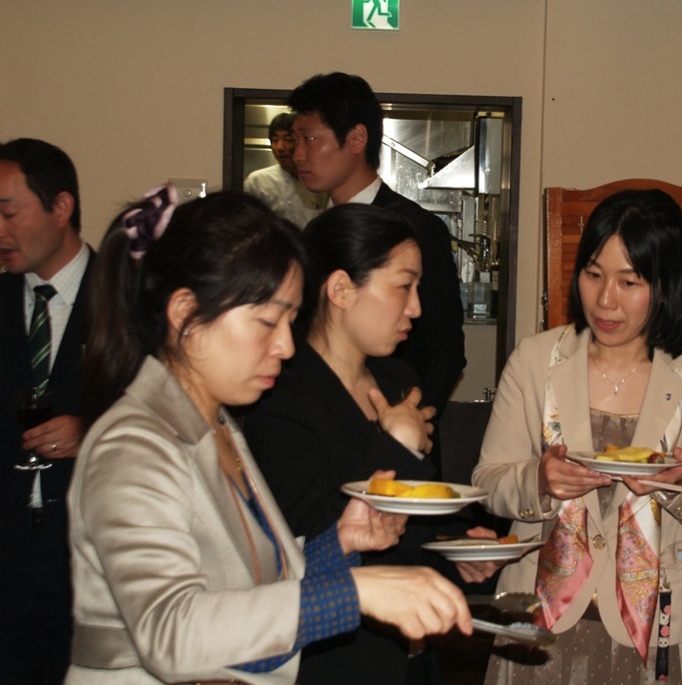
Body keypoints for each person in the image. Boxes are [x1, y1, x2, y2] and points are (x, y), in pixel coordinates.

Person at [66, 189, 472, 684]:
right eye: (266, 321)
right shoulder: (133, 444)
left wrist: (337, 545)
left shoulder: (219, 427)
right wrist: (356, 592)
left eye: (290, 321)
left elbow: (247, 594)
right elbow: (170, 632)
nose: (285, 345)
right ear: (185, 314)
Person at [472, 189, 682, 684]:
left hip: (654, 628)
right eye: (593, 274)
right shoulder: (536, 360)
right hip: (539, 619)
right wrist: (539, 480)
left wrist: (679, 484)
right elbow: (487, 483)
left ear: (666, 284)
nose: (604, 299)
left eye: (629, 282)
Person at [245, 203, 499, 685]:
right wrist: (397, 445)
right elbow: (309, 543)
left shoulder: (398, 381)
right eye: (404, 286)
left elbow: (415, 522)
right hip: (332, 661)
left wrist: (458, 550)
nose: (416, 308)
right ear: (341, 289)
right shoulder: (281, 396)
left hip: (412, 656)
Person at [288, 72, 465, 421]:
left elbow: (444, 351)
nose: (298, 154)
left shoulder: (417, 228)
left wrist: (410, 421)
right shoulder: (315, 233)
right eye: (296, 140)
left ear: (356, 139)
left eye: (309, 138)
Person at [0, 138, 90, 684]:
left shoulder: (128, 299)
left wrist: (95, 430)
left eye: (8, 213)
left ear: (61, 207)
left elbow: (175, 411)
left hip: (90, 562)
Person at [244, 111, 327, 227]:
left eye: (288, 140)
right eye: (275, 140)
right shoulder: (257, 181)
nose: (280, 147)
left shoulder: (320, 179)